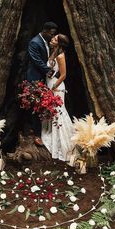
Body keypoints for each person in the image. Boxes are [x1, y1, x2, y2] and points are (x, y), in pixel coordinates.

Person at [41, 34, 76, 162]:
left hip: (57, 87)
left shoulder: (60, 56)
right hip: (50, 84)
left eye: (55, 39)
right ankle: (53, 137)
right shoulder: (53, 53)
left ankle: (65, 144)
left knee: (59, 112)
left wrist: (54, 86)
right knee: (52, 111)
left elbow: (63, 75)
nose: (52, 39)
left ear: (59, 43)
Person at [26, 22, 58, 146]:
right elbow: (37, 61)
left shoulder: (46, 42)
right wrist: (49, 72)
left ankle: (42, 130)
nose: (52, 36)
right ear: (44, 31)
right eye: (51, 33)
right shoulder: (34, 42)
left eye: (53, 34)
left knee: (42, 106)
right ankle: (36, 134)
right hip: (34, 79)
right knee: (36, 106)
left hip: (44, 79)